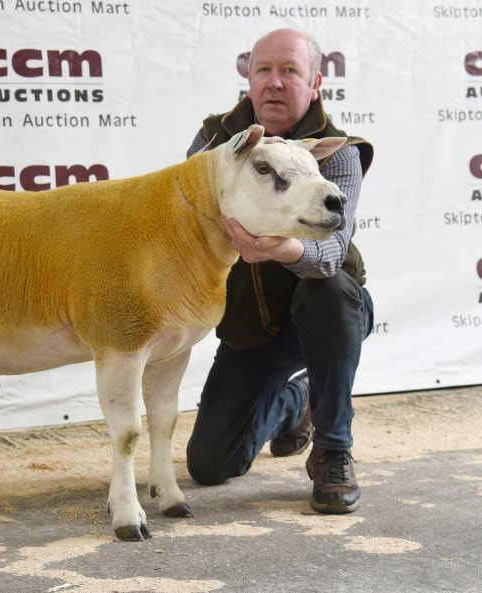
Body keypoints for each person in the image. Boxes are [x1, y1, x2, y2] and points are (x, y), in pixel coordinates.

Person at [184, 28, 375, 514]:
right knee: (209, 466)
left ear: (314, 85)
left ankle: (333, 448)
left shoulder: (341, 153)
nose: (274, 82)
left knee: (328, 289)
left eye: (289, 71)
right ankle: (298, 400)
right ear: (248, 81)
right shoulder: (213, 143)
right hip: (251, 326)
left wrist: (281, 249)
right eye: (263, 70)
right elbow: (186, 221)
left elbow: (331, 252)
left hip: (328, 315)